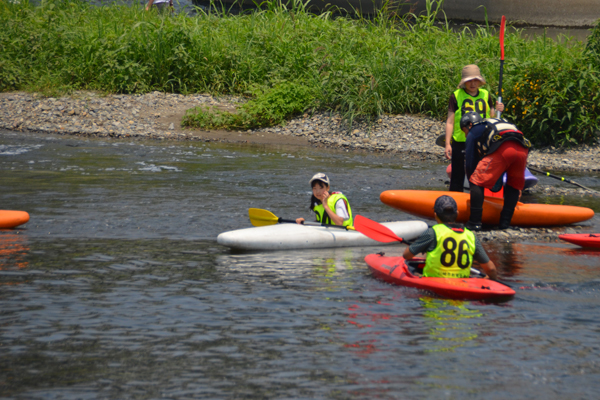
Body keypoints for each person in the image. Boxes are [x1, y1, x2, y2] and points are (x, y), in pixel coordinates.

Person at [403, 195, 497, 280]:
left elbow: (406, 255)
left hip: (434, 287)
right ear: (457, 213)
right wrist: (489, 279)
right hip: (462, 285)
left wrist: (423, 247)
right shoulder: (471, 236)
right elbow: (491, 269)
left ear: (435, 215)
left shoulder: (432, 232)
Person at [464, 117, 532, 231]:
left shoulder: (473, 130)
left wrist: (472, 181)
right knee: (513, 185)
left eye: (464, 131)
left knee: (476, 180)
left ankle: (474, 222)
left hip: (504, 147)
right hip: (523, 149)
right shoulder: (500, 122)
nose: (465, 135)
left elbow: (470, 162)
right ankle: (505, 223)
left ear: (469, 125)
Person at [445, 64, 504, 192]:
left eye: (475, 80)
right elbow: (450, 121)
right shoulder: (456, 96)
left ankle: (478, 201)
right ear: (464, 82)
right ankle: (455, 200)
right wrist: (447, 144)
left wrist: (500, 110)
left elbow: (492, 117)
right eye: (469, 81)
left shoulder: (486, 94)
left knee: (479, 174)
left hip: (481, 141)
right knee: (457, 175)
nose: (473, 84)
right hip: (461, 141)